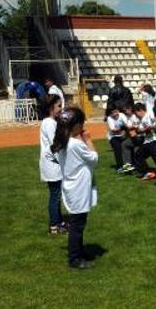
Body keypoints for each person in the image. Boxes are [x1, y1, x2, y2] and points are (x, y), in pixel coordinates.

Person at [51, 107, 97, 270]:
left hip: (72, 186)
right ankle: (74, 259)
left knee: (78, 223)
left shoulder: (62, 143)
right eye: (81, 123)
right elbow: (94, 158)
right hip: (78, 189)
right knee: (77, 225)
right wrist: (88, 139)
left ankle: (79, 251)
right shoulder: (76, 144)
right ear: (76, 125)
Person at [39, 93, 66, 235]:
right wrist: (64, 161)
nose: (61, 109)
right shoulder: (49, 123)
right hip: (52, 164)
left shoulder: (52, 122)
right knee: (55, 195)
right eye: (59, 106)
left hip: (54, 164)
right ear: (51, 107)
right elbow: (54, 145)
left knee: (57, 194)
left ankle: (59, 221)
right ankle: (54, 225)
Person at [131, 102, 156, 181]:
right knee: (138, 155)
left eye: (136, 113)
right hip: (148, 141)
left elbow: (151, 126)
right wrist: (138, 130)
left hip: (154, 141)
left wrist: (142, 130)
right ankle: (149, 173)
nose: (135, 115)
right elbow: (141, 130)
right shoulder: (142, 119)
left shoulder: (149, 115)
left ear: (140, 110)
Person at [106, 103, 134, 173]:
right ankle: (120, 167)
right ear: (110, 114)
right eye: (112, 113)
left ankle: (131, 164)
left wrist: (123, 129)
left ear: (118, 110)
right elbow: (113, 130)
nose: (115, 114)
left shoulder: (122, 115)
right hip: (113, 137)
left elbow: (128, 125)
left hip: (123, 135)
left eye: (116, 112)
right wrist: (123, 128)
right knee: (118, 149)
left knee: (128, 146)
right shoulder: (109, 118)